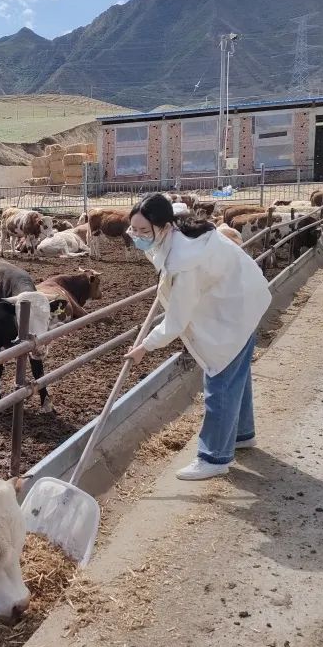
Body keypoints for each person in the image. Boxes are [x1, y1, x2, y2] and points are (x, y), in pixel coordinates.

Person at [124, 194, 272, 480]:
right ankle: (242, 434)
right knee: (235, 374)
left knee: (219, 379)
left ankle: (214, 457)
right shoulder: (178, 230)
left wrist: (145, 345)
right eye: (134, 229)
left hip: (232, 310)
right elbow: (174, 213)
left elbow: (176, 321)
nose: (138, 236)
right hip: (238, 296)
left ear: (165, 227)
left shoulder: (184, 261)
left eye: (144, 231)